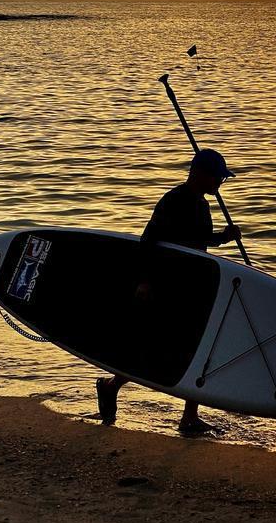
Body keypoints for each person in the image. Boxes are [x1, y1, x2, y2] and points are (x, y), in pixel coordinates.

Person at [96, 148, 241, 434]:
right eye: (217, 178)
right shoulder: (174, 201)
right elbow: (148, 241)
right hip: (166, 287)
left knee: (197, 348)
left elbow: (196, 240)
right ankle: (111, 385)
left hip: (193, 288)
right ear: (199, 174)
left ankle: (189, 416)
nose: (219, 184)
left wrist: (223, 237)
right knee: (153, 349)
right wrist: (145, 281)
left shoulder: (201, 205)